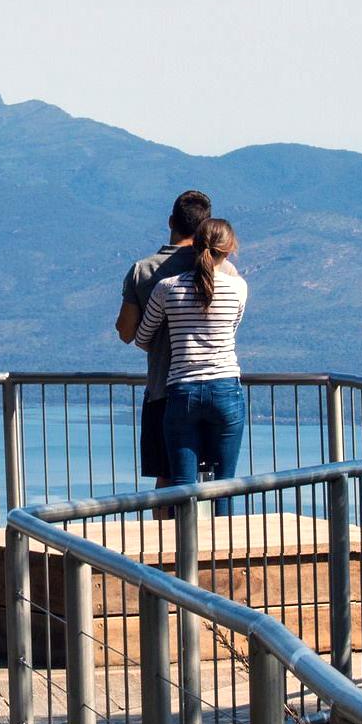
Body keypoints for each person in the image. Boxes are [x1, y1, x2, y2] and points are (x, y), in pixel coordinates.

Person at [134, 218, 247, 516]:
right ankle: (227, 556)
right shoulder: (238, 288)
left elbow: (143, 337)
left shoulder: (167, 288)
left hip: (182, 391)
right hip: (226, 388)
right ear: (230, 249)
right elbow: (231, 330)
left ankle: (183, 555)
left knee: (182, 486)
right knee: (225, 483)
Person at [116, 190, 212, 493]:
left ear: (171, 221)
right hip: (212, 386)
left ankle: (167, 539)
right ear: (205, 227)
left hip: (162, 389)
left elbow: (126, 332)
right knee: (212, 479)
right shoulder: (215, 268)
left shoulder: (143, 270)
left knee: (168, 480)